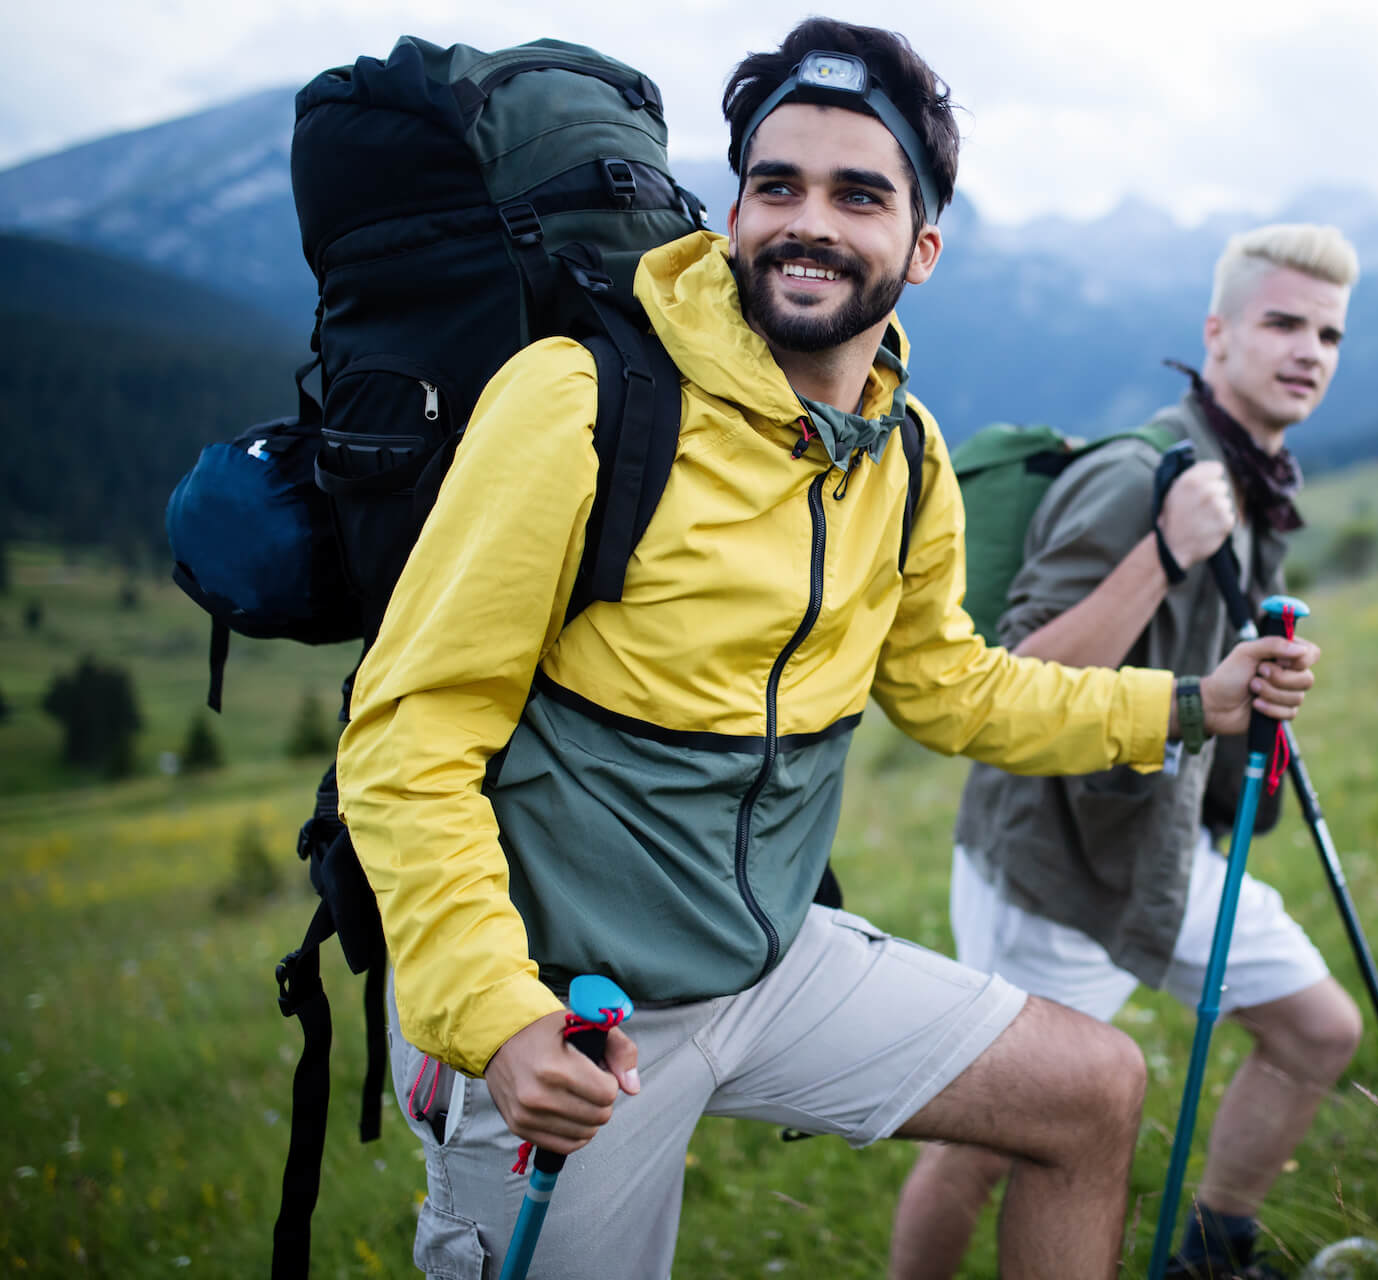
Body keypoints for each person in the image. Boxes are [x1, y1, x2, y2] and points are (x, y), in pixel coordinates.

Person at [334, 19, 1317, 1279]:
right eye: (776, 184)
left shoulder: (903, 456)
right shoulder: (577, 401)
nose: (809, 221)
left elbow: (953, 686)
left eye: (859, 194)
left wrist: (1194, 703)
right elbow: (409, 732)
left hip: (770, 962)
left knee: (1092, 1089)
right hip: (575, 1020)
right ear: (733, 213)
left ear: (921, 246)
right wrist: (496, 1012)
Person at [890, 224, 1363, 1280]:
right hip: (1054, 864)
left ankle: (1212, 1247)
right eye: (1283, 322)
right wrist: (1163, 553)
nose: (1310, 351)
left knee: (1318, 1031)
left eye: (1329, 332)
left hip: (1158, 846)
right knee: (989, 1141)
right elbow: (1013, 672)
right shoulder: (1138, 476)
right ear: (1218, 333)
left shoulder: (1253, 472)